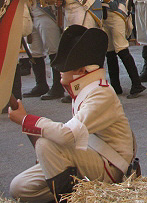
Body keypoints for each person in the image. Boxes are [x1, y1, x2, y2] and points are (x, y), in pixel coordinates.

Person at [9, 25, 134, 202]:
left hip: (111, 165)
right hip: (87, 154)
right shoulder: (86, 89)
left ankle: (69, 198)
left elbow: (67, 135)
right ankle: (71, 189)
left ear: (81, 71)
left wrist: (26, 120)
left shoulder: (101, 93)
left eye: (66, 66)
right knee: (20, 187)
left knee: (46, 144)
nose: (60, 69)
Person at [99, 0, 146, 98]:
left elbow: (114, 3)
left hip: (116, 17)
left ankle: (136, 83)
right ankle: (115, 86)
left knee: (122, 49)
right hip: (106, 18)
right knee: (110, 52)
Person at [23, 0, 62, 99]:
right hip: (33, 11)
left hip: (46, 12)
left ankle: (57, 86)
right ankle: (41, 84)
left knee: (53, 48)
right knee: (35, 51)